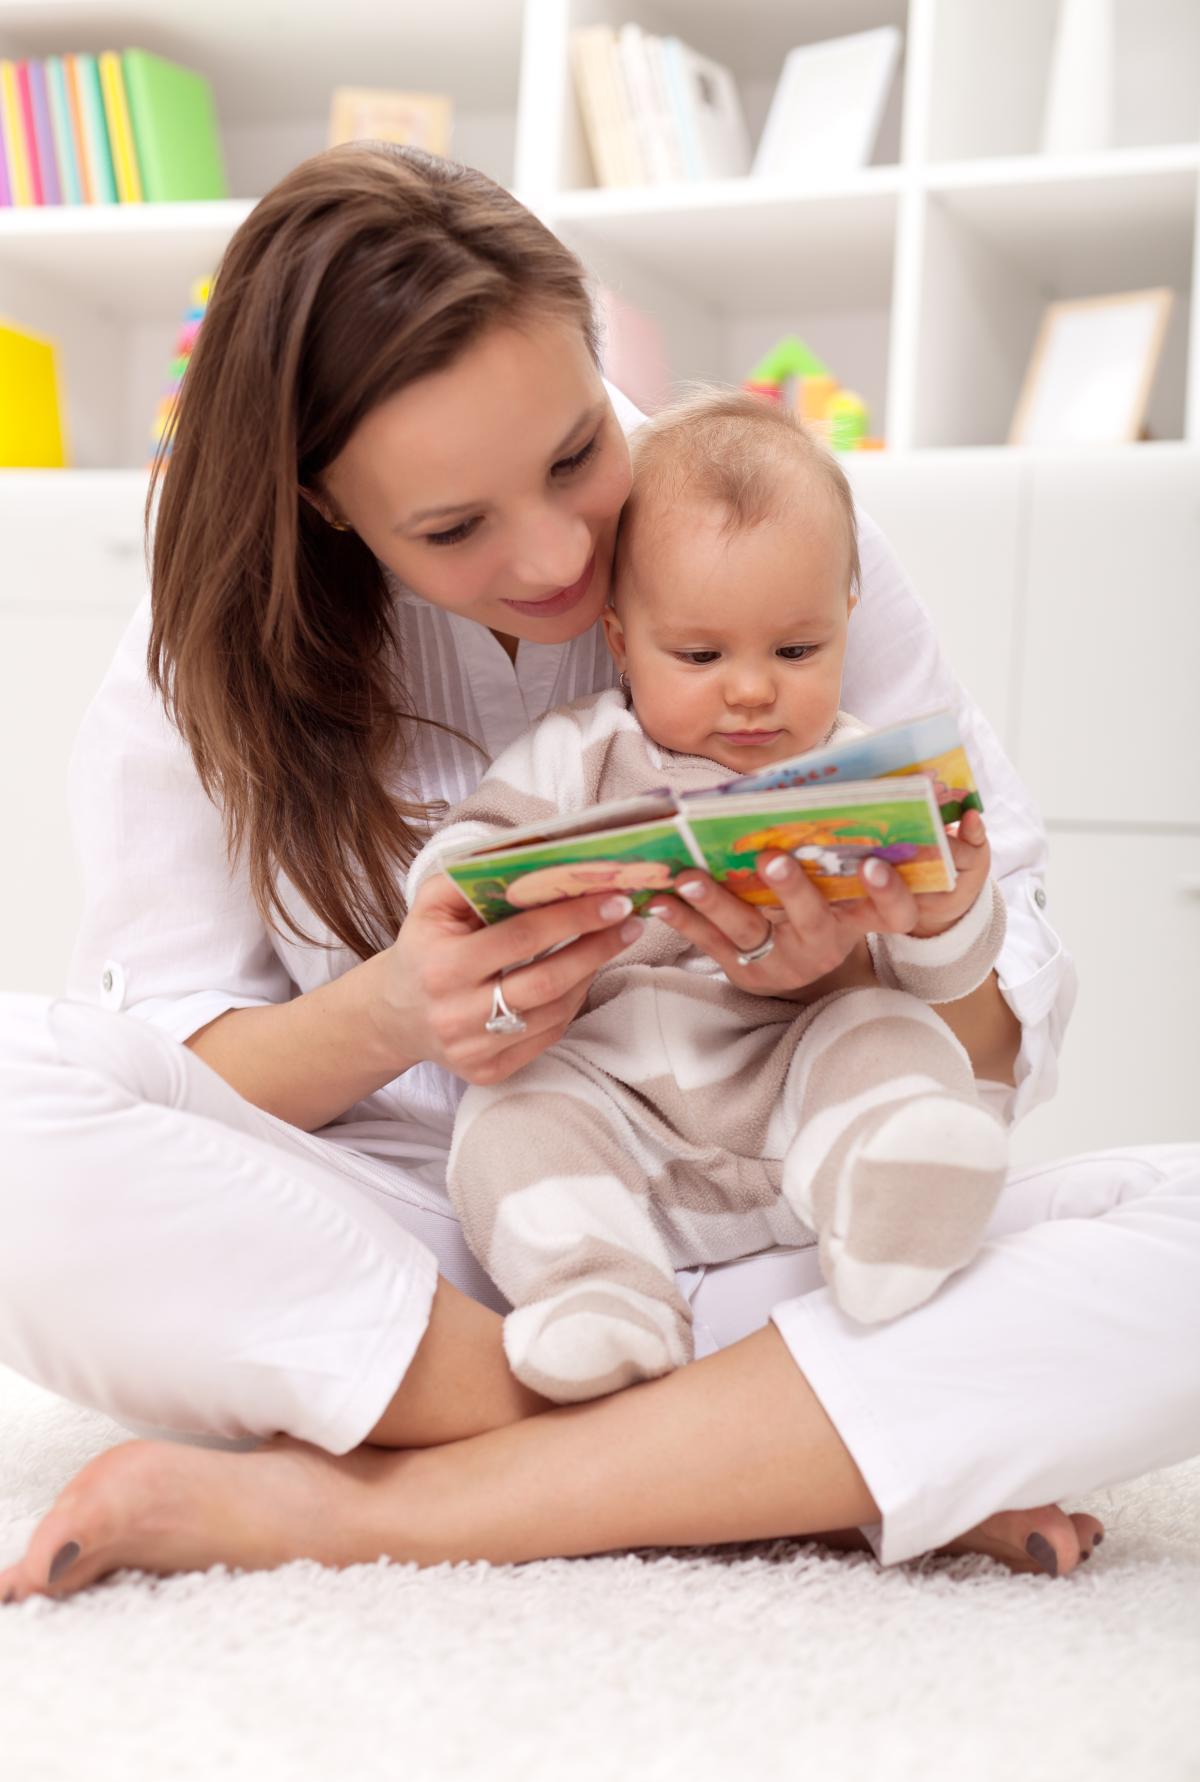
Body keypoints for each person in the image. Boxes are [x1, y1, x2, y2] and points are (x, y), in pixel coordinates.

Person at [0, 143, 1195, 1605]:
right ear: (322, 504)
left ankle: (384, 1501)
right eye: (453, 528)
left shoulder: (765, 525)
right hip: (419, 1255)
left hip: (781, 1220)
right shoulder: (210, 651)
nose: (562, 550)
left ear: (593, 335)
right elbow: (165, 1083)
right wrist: (395, 1009)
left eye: (576, 454)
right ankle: (771, 1448)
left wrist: (868, 959)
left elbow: (994, 1040)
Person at [409, 387, 1012, 1401]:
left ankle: (892, 1195)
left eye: (796, 650)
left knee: (892, 1034)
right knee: (504, 1120)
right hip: (612, 1102)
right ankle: (601, 1292)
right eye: (699, 655)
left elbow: (939, 969)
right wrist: (514, 886)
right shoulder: (581, 751)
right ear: (619, 638)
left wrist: (949, 905)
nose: (750, 689)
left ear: (846, 623)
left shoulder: (858, 769)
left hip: (789, 1079)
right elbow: (454, 875)